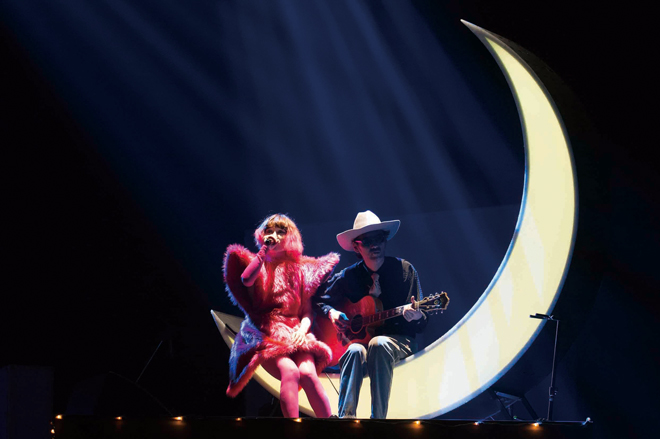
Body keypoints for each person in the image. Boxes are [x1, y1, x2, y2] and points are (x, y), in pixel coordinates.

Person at [223, 214, 340, 418]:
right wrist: (263, 251)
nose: (274, 235)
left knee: (308, 374)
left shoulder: (300, 269)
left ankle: (332, 427)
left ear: (290, 237)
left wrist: (302, 330)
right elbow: (246, 279)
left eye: (280, 232)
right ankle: (292, 429)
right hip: (267, 331)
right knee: (290, 372)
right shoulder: (259, 264)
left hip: (295, 331)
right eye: (269, 231)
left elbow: (306, 312)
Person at [314, 210, 427, 419]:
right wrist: (332, 313)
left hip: (399, 342)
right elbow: (318, 300)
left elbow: (423, 323)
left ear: (385, 240)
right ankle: (346, 419)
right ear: (356, 246)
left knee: (379, 343)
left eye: (378, 239)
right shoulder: (348, 276)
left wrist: (417, 316)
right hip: (363, 344)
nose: (374, 245)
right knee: (354, 349)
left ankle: (377, 422)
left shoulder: (404, 270)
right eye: (367, 241)